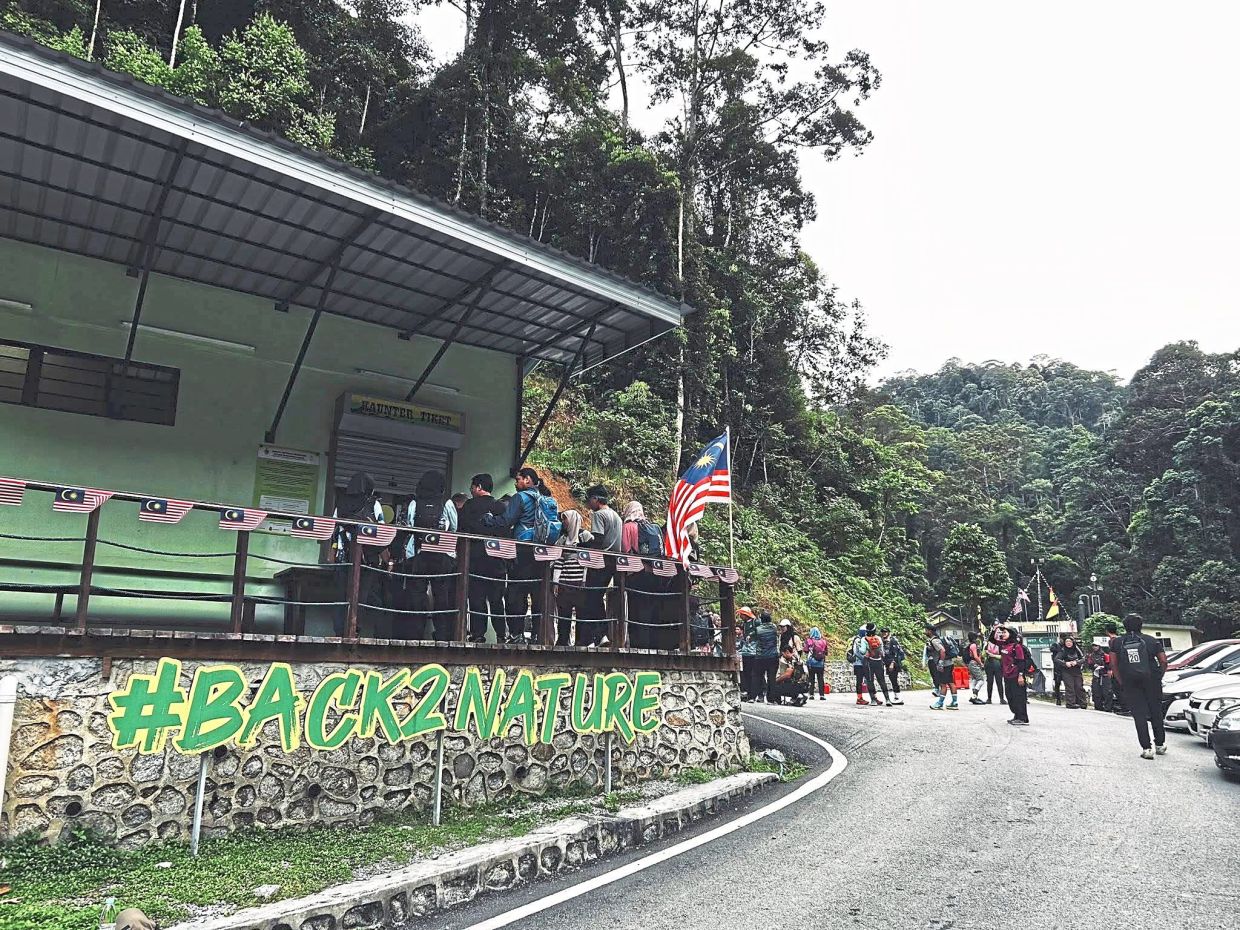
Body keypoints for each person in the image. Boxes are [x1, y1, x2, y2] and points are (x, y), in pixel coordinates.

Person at [486, 467, 554, 642]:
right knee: (538, 594)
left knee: (516, 594)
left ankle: (517, 633)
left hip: (523, 550)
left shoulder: (520, 498)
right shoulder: (545, 498)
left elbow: (506, 521)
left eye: (518, 480)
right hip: (541, 551)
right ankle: (538, 635)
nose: (516, 484)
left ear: (528, 480)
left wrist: (489, 519)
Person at [1109, 613, 1170, 759]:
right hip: (1152, 680)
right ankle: (1160, 745)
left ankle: (1146, 748)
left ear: (1124, 626)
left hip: (1130, 681)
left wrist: (1121, 681)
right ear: (1141, 625)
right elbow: (1163, 661)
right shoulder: (1151, 640)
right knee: (1156, 711)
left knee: (1139, 715)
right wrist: (1158, 676)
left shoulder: (1117, 642)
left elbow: (1113, 664)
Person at [458, 473, 508, 643]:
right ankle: (502, 634)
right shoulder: (500, 507)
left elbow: (461, 529)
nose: (471, 490)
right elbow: (506, 531)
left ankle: (478, 635)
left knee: (477, 599)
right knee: (496, 600)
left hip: (474, 560)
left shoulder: (469, 506)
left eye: (472, 487)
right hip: (497, 561)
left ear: (479, 487)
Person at [580, 485, 622, 646]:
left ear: (596, 499)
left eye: (590, 500)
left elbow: (597, 539)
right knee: (598, 597)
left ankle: (599, 635)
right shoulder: (616, 516)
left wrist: (584, 546)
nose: (588, 504)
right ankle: (601, 635)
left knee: (592, 598)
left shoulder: (599, 515)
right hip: (613, 563)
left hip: (600, 562)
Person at [552, 510, 592, 646]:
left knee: (581, 613)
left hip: (579, 582)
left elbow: (588, 560)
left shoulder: (585, 536)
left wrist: (584, 579)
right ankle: (563, 640)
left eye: (565, 519)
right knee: (564, 613)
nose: (563, 522)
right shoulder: (562, 539)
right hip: (564, 582)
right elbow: (558, 560)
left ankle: (581, 641)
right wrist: (556, 582)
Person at [997, 625, 1031, 726]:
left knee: (1019, 697)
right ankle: (1016, 715)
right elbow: (993, 639)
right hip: (1007, 675)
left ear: (1011, 634)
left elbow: (1021, 661)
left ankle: (1022, 718)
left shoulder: (1017, 646)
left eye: (1005, 633)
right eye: (1002, 633)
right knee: (1010, 696)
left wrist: (1021, 675)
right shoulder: (1004, 645)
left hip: (1016, 675)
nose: (1002, 634)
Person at [923, 624, 959, 710]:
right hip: (949, 663)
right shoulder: (938, 639)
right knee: (951, 683)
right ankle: (954, 702)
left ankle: (940, 703)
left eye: (926, 630)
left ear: (930, 631)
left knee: (943, 684)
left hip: (944, 665)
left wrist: (940, 663)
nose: (925, 632)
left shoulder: (934, 641)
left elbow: (942, 650)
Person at [752, 610, 780, 703]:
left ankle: (758, 696)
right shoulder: (774, 628)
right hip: (773, 656)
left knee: (758, 676)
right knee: (771, 677)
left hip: (760, 656)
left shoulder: (758, 629)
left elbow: (754, 637)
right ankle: (771, 699)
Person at [1055, 635, 1088, 709]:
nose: (1068, 643)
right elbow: (1057, 659)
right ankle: (1070, 703)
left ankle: (1083, 703)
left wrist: (1077, 662)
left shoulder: (1077, 649)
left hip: (1077, 670)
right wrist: (1065, 663)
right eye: (1067, 641)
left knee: (1079, 686)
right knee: (1070, 687)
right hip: (1066, 671)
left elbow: (1083, 658)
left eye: (1070, 641)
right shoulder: (1063, 650)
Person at [880, 628, 907, 704]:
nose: (884, 633)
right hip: (887, 663)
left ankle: (898, 697)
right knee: (892, 680)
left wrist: (892, 663)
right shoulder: (882, 641)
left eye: (885, 632)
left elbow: (896, 653)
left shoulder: (893, 641)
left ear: (888, 633)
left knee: (894, 680)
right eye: (882, 632)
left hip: (894, 663)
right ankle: (896, 696)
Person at [738, 607, 759, 701]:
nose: (740, 616)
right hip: (746, 651)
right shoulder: (744, 624)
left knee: (752, 674)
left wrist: (752, 635)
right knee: (746, 673)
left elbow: (759, 631)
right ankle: (748, 692)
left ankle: (753, 694)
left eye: (741, 614)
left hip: (753, 650)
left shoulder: (755, 622)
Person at [805, 626, 829, 699]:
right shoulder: (823, 641)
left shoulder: (809, 641)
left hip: (811, 663)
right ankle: (822, 695)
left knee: (811, 678)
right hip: (820, 663)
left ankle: (811, 694)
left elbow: (805, 650)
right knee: (820, 678)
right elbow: (826, 652)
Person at [984, 625, 1006, 705]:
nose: (999, 634)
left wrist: (993, 655)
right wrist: (995, 628)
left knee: (999, 681)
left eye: (1000, 632)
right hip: (989, 662)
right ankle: (989, 698)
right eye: (998, 632)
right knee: (989, 681)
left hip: (997, 662)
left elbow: (1003, 655)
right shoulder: (990, 642)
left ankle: (1002, 698)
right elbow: (985, 650)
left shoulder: (1002, 643)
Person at [964, 632, 986, 705]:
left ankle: (975, 697)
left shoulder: (969, 645)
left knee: (974, 679)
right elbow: (975, 656)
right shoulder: (973, 645)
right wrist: (981, 664)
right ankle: (974, 696)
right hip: (973, 663)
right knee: (981, 680)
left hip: (970, 663)